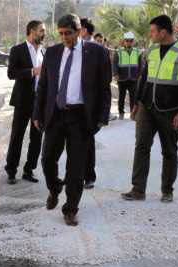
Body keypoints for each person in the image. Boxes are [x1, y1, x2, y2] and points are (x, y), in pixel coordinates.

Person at [33, 14, 111, 226]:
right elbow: (44, 87)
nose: (64, 37)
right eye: (61, 34)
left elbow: (105, 88)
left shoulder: (98, 53)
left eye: (68, 33)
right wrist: (37, 114)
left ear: (79, 31)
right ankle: (55, 187)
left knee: (76, 168)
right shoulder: (52, 52)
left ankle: (70, 209)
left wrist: (102, 117)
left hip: (81, 118)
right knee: (47, 159)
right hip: (56, 115)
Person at [121, 15, 178, 203]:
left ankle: (167, 191)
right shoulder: (152, 49)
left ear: (163, 32)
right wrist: (137, 103)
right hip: (147, 107)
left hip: (171, 110)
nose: (151, 34)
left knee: (169, 151)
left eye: (153, 31)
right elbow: (144, 77)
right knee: (141, 147)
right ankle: (138, 189)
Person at [5, 20, 46, 184]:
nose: (44, 33)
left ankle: (29, 170)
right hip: (22, 101)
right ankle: (11, 170)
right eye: (41, 30)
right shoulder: (17, 50)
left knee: (37, 138)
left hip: (39, 101)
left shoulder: (44, 51)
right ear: (32, 31)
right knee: (17, 136)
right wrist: (32, 71)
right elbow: (11, 73)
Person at [78, 17, 102, 189]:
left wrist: (102, 111)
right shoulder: (72, 49)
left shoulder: (97, 50)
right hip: (73, 103)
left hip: (90, 105)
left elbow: (104, 83)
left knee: (88, 141)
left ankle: (89, 176)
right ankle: (77, 175)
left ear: (83, 30)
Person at [113, 31, 142, 120]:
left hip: (133, 78)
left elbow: (141, 64)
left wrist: (140, 75)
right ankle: (121, 112)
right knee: (121, 96)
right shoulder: (118, 51)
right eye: (127, 40)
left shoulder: (138, 52)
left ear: (133, 42)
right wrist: (115, 74)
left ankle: (133, 113)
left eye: (130, 41)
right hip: (122, 78)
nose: (128, 42)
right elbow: (115, 63)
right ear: (124, 41)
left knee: (133, 97)